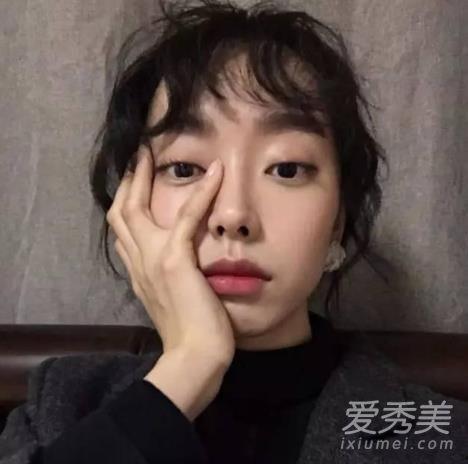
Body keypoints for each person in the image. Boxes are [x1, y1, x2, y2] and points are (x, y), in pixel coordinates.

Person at [1, 1, 468, 463]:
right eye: (184, 168)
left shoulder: (439, 438)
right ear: (131, 205)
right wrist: (187, 371)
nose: (232, 214)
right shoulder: (60, 406)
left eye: (287, 169)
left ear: (339, 220)